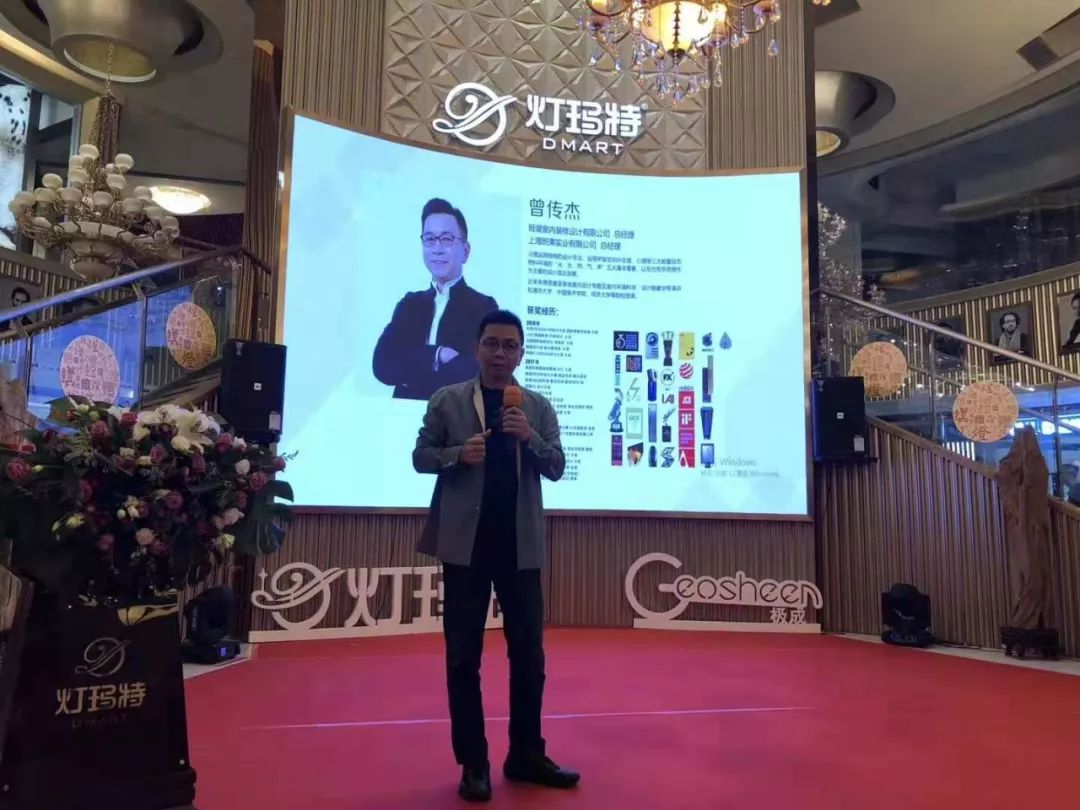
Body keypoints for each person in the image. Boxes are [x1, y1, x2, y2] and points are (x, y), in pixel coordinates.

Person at [413, 310, 579, 802]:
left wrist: (530, 437)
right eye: (492, 343)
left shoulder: (537, 407)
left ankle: (525, 755)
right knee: (463, 659)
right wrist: (455, 455)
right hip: (465, 548)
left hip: (519, 548)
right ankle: (474, 764)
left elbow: (557, 467)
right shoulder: (447, 400)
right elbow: (420, 457)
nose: (500, 353)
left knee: (529, 657)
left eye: (510, 346)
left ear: (521, 354)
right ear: (477, 348)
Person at [373, 198, 498, 400]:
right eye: (430, 239)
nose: (437, 248)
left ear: (465, 251)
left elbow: (482, 373)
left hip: (455, 416)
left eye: (447, 239)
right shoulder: (409, 305)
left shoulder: (484, 307)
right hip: (403, 413)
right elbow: (382, 365)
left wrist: (411, 367)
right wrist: (438, 355)